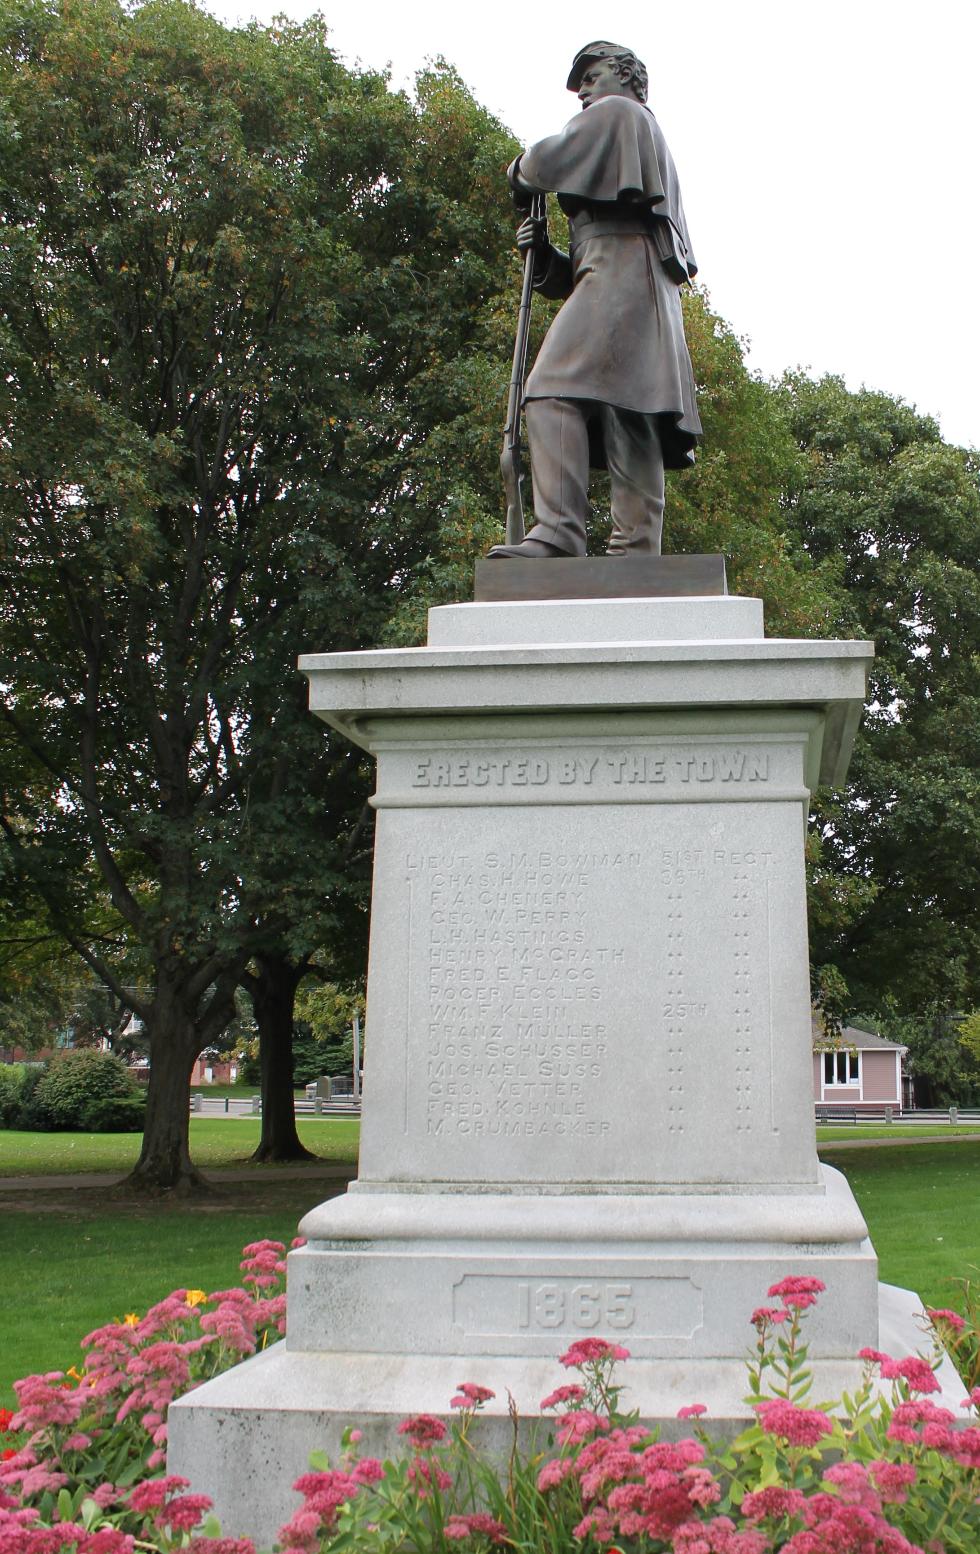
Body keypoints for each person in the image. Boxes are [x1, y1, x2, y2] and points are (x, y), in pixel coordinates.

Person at [488, 41, 702, 560]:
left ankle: (559, 533)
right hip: (633, 283)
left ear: (628, 79)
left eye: (593, 73)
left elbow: (543, 162)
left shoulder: (620, 111)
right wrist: (542, 254)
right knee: (630, 407)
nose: (583, 88)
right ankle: (636, 549)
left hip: (623, 280)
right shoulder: (631, 136)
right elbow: (584, 265)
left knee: (548, 394)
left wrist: (519, 171)